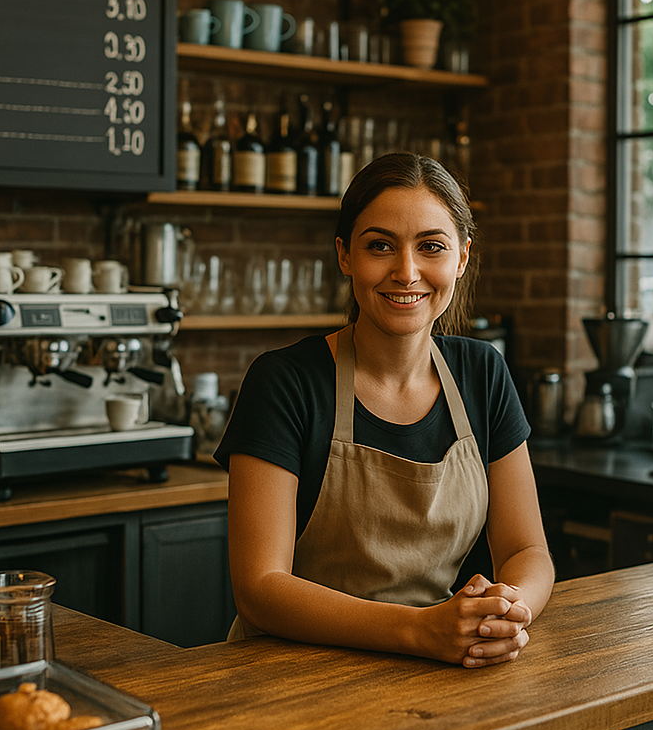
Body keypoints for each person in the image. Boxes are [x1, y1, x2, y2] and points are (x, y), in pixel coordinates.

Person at [214, 152, 553, 667]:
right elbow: (260, 589)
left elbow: (527, 552)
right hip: (286, 676)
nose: (406, 272)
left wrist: (503, 614)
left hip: (435, 668)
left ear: (461, 257)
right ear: (345, 255)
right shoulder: (284, 381)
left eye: (431, 247)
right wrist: (420, 630)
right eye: (380, 247)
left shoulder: (483, 373)